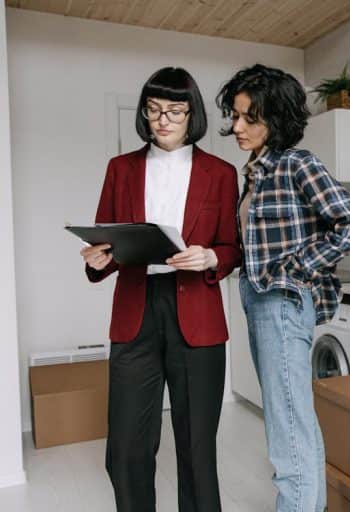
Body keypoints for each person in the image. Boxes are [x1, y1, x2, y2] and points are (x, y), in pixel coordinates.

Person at [80, 67, 240, 512]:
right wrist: (98, 260)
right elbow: (105, 241)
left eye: (174, 110)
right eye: (153, 110)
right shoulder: (120, 169)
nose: (163, 119)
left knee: (196, 451)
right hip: (136, 312)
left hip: (198, 316)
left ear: (192, 114)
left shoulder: (221, 172)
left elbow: (231, 246)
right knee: (126, 450)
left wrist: (211, 257)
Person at [216, 64, 350, 512]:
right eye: (236, 115)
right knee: (288, 419)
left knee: (288, 423)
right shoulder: (254, 174)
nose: (238, 127)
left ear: (278, 120)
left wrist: (297, 267)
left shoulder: (296, 164)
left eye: (251, 118)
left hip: (281, 301)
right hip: (258, 298)